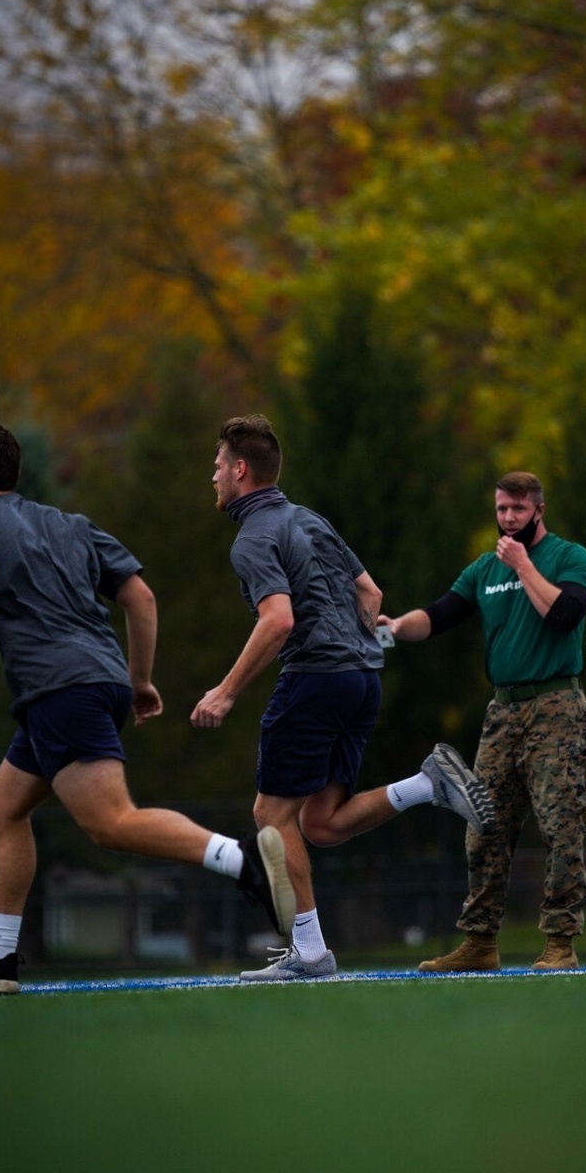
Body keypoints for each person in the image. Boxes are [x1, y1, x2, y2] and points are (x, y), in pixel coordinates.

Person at [0, 414, 296, 996]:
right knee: (4, 802)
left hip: (56, 690)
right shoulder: (67, 524)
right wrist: (139, 680)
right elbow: (139, 596)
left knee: (110, 823)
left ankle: (240, 860)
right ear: (14, 472)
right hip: (98, 682)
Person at [189, 414, 494, 983]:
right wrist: (353, 639)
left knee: (269, 813)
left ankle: (310, 953)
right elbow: (370, 592)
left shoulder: (253, 538)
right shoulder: (309, 519)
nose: (212, 477)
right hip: (362, 680)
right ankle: (429, 784)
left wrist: (226, 692)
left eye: (215, 466)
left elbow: (278, 620)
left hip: (316, 677)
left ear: (240, 469)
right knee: (321, 824)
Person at [380, 471, 586, 973]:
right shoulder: (484, 569)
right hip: (502, 713)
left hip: (556, 707)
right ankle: (480, 942)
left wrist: (523, 566)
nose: (507, 519)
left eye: (517, 510)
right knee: (483, 827)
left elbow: (564, 615)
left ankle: (560, 942)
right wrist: (395, 626)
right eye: (501, 509)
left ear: (538, 510)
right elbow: (438, 615)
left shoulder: (569, 557)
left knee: (559, 824)